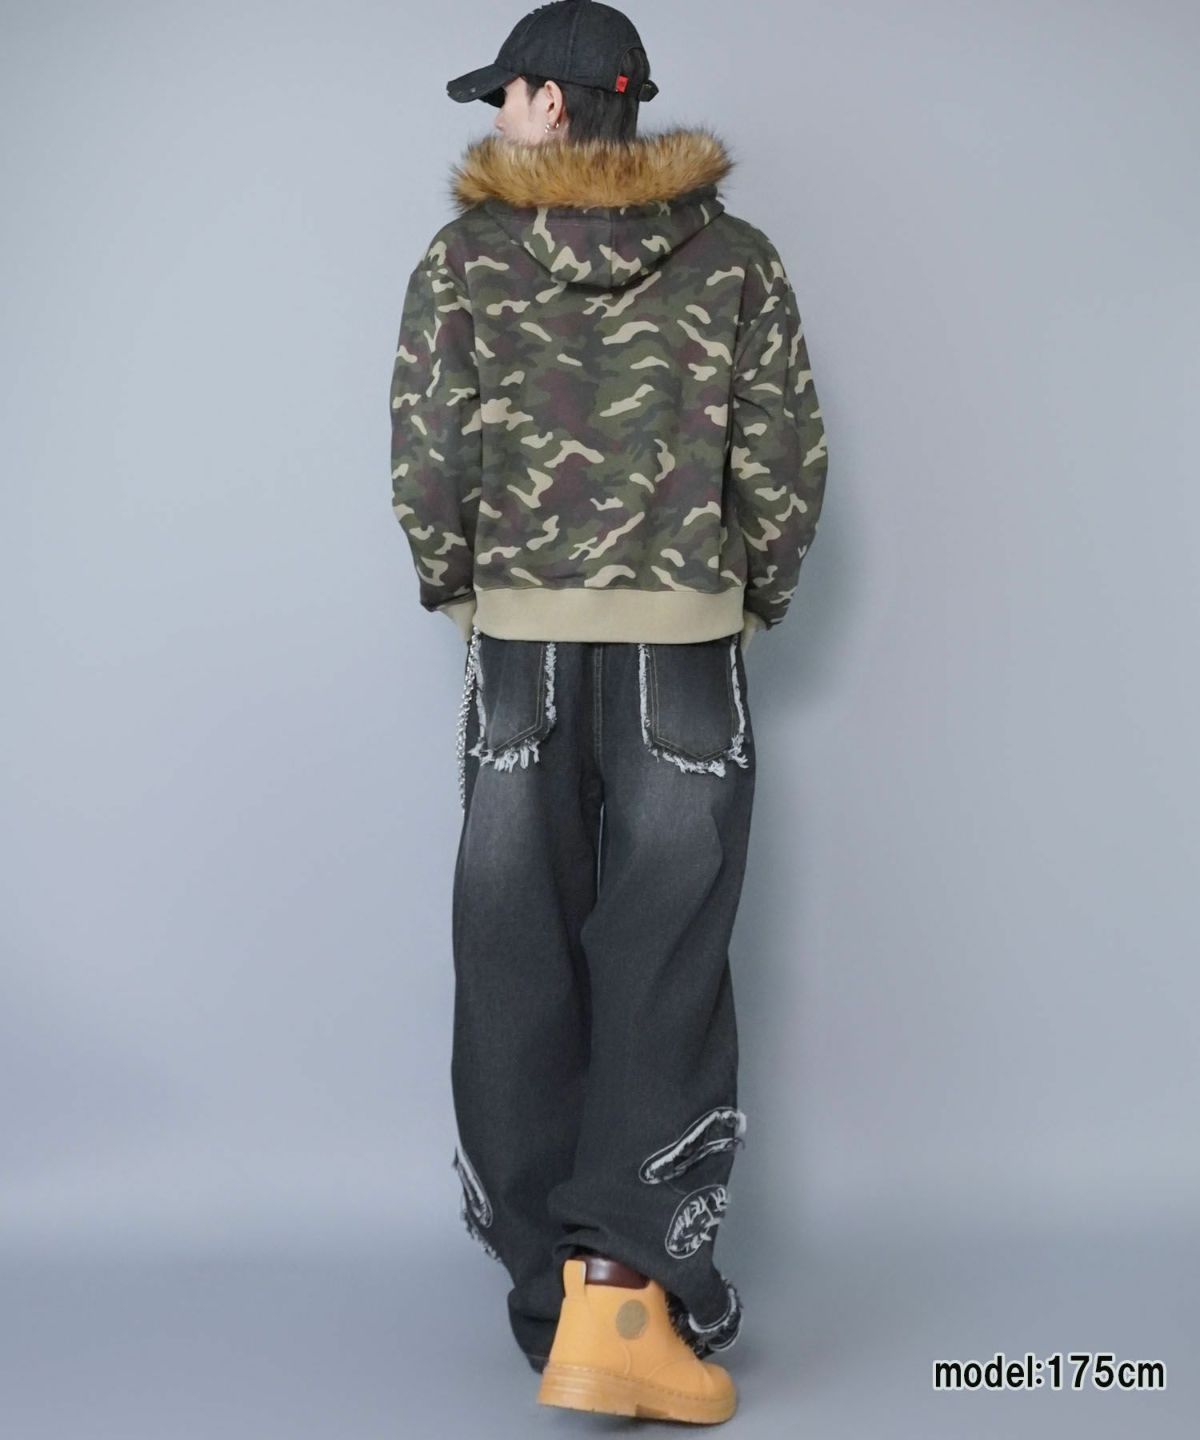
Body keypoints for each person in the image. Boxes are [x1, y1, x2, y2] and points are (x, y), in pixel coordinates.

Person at [388, 0, 828, 1423]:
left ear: (557, 103)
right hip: (683, 643)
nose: (496, 117)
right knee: (665, 956)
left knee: (514, 948)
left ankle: (551, 1302)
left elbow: (426, 456)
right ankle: (629, 1292)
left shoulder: (465, 259)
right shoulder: (736, 257)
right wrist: (743, 598)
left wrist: (471, 598)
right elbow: (785, 455)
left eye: (507, 94)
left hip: (521, 644)